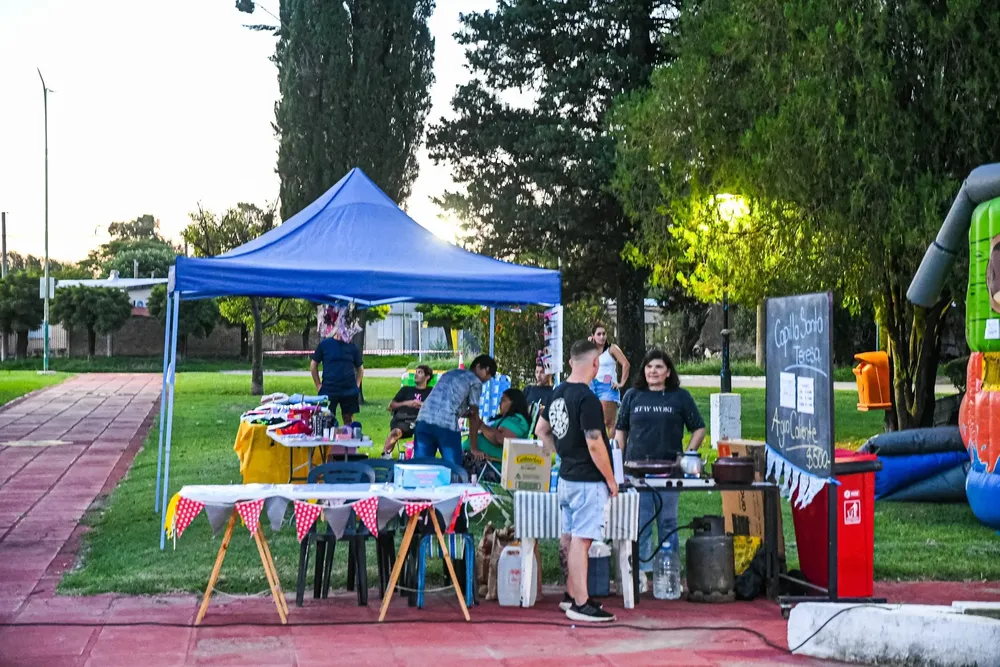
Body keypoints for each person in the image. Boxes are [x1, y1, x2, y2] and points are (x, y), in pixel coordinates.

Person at [535, 339, 618, 623]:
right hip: (587, 480)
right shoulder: (588, 399)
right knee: (581, 541)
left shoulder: (557, 392)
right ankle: (581, 603)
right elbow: (595, 442)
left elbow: (541, 430)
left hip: (567, 477)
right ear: (595, 364)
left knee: (570, 538)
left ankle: (571, 595)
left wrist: (562, 452)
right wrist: (611, 479)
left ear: (572, 361)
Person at [614, 349, 705, 593]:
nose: (652, 371)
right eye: (649, 367)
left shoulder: (680, 397)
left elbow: (699, 428)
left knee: (668, 522)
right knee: (641, 523)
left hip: (669, 473)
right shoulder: (632, 396)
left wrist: (688, 453)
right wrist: (618, 462)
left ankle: (669, 576)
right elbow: (620, 431)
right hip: (636, 473)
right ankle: (641, 576)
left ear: (668, 372)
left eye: (658, 367)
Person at [414, 354, 497, 466]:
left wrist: (462, 412)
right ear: (478, 367)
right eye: (488, 373)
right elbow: (474, 416)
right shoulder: (475, 381)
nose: (488, 379)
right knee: (453, 469)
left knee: (421, 467)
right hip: (446, 425)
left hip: (423, 419)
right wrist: (474, 448)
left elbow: (445, 401)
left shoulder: (451, 373)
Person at [462, 388, 532, 477]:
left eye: (503, 400)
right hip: (476, 458)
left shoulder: (517, 420)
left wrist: (481, 425)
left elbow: (501, 439)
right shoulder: (504, 418)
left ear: (514, 402)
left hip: (491, 465)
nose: (500, 403)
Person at [310, 327, 364, 426]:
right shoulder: (325, 345)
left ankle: (348, 440)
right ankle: (328, 441)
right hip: (329, 389)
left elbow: (360, 369)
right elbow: (313, 365)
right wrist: (318, 385)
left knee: (348, 420)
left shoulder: (352, 347)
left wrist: (357, 385)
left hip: (349, 390)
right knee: (326, 420)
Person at [382, 365, 434, 457]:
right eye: (416, 372)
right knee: (395, 433)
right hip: (403, 421)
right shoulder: (406, 390)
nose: (416, 375)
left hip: (422, 421)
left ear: (427, 377)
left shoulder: (432, 392)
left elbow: (437, 408)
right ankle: (385, 455)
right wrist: (407, 403)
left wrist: (423, 405)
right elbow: (391, 406)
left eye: (420, 372)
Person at [589, 324, 631, 437]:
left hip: (607, 386)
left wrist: (621, 383)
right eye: (598, 334)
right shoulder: (590, 350)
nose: (602, 336)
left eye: (604, 334)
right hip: (592, 385)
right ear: (593, 336)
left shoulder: (611, 349)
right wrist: (587, 344)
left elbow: (626, 364)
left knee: (608, 422)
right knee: (592, 422)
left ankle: (611, 450)